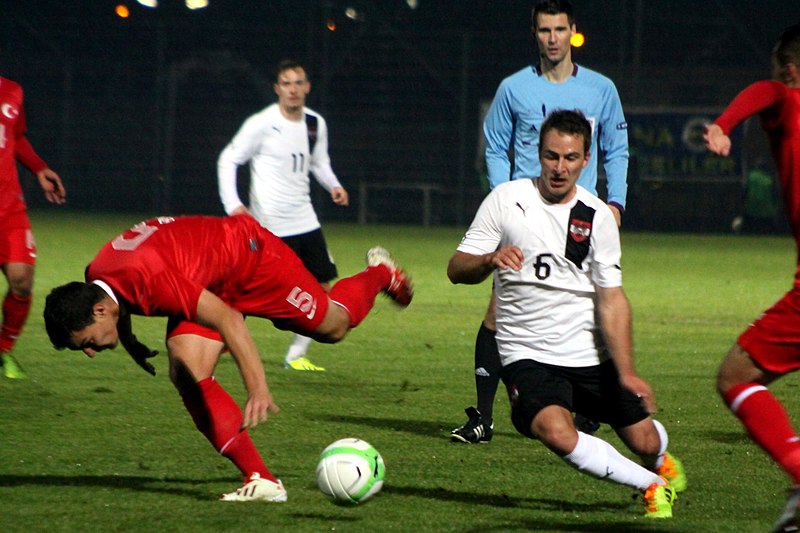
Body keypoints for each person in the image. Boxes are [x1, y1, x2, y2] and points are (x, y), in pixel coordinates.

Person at [43, 214, 412, 502]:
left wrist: (258, 388)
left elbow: (228, 318)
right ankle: (262, 479)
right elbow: (118, 300)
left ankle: (380, 273)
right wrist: (130, 339)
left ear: (99, 312)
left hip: (251, 261)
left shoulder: (146, 278)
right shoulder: (98, 280)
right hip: (209, 279)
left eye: (86, 342)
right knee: (186, 368)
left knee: (332, 326)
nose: (90, 351)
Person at [448, 110, 684, 518]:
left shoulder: (596, 218)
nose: (560, 168)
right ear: (538, 154)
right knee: (555, 431)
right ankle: (652, 485)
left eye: (571, 158)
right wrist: (489, 259)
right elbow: (456, 268)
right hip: (528, 353)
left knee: (645, 441)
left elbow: (612, 299)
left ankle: (658, 460)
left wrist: (626, 372)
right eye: (552, 156)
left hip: (589, 353)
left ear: (586, 160)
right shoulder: (506, 200)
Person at [452, 0, 629, 443]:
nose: (552, 38)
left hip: (581, 222)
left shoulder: (601, 89)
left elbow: (617, 149)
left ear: (573, 31)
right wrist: (504, 199)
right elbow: (495, 144)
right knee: (499, 311)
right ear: (534, 33)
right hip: (528, 217)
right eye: (544, 30)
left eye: (559, 29)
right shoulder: (514, 88)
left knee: (590, 309)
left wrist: (616, 204)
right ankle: (483, 418)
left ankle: (580, 407)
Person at [706, 23, 800, 533]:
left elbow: (764, 92)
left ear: (788, 70)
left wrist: (724, 124)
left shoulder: (787, 99)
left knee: (736, 376)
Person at [218, 59, 348, 372]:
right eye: (287, 83)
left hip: (305, 219)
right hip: (270, 224)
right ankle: (217, 339)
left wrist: (334, 185)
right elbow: (228, 159)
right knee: (246, 290)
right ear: (277, 89)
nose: (293, 89)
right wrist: (233, 205)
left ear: (307, 87)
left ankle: (295, 355)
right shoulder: (261, 123)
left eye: (298, 83)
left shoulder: (315, 123)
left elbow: (318, 162)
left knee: (322, 287)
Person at [0, 75, 65, 379]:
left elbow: (15, 137)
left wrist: (39, 168)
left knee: (22, 281)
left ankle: (3, 350)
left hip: (9, 207)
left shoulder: (12, 91)